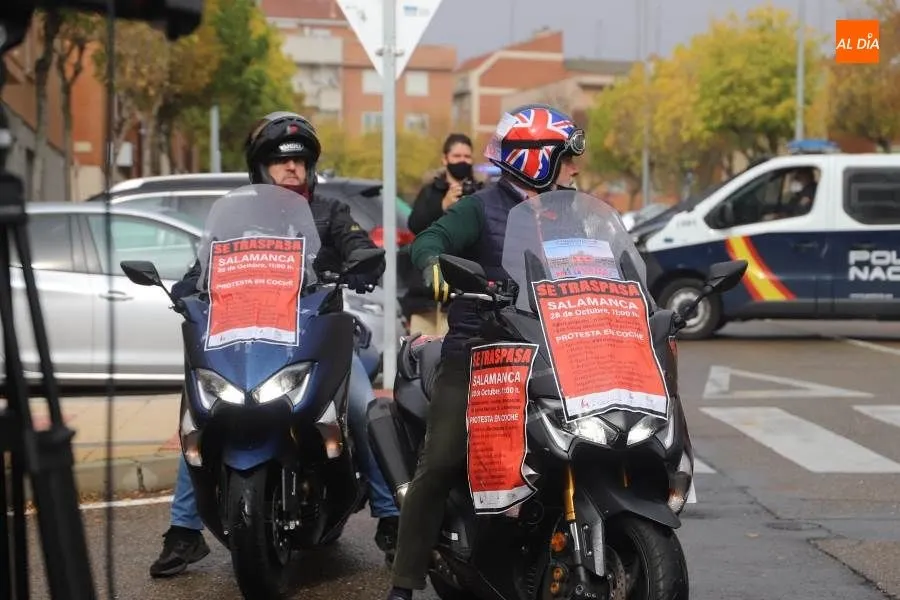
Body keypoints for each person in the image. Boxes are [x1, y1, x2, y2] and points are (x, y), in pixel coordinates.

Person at [149, 111, 400, 578]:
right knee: (200, 412)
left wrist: (363, 258)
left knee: (364, 408)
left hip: (316, 336)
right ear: (260, 169)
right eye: (280, 162)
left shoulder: (330, 212)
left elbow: (355, 245)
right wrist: (185, 287)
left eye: (300, 162)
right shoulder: (238, 219)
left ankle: (391, 518)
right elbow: (203, 266)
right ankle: (183, 531)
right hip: (245, 337)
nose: (291, 170)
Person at [383, 103, 585, 600]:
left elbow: (601, 258)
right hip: (479, 355)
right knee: (441, 461)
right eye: (566, 157)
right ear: (536, 159)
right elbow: (432, 237)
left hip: (550, 351)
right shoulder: (481, 207)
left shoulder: (568, 209)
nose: (575, 167)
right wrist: (434, 263)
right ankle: (404, 582)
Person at [402, 134, 484, 338]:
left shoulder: (481, 194)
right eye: (457, 156)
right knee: (421, 354)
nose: (462, 161)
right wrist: (443, 205)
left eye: (467, 156)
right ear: (445, 159)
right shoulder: (431, 191)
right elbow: (416, 225)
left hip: (462, 294)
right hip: (426, 294)